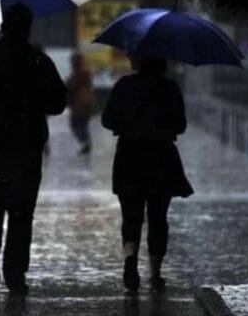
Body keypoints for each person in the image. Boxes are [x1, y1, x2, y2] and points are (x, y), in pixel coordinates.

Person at [0, 3, 67, 295]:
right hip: (27, 152)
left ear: (3, 26)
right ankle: (15, 271)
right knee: (21, 213)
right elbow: (58, 103)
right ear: (28, 28)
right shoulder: (39, 62)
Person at [101, 56, 193, 292]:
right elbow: (181, 125)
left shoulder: (124, 85)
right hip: (161, 158)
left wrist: (127, 125)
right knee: (158, 216)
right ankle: (155, 274)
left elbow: (107, 120)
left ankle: (130, 257)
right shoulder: (170, 88)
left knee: (131, 215)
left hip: (129, 156)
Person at [65, 52, 95, 154]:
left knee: (76, 124)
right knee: (82, 124)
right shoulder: (83, 72)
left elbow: (71, 85)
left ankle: (86, 143)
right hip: (86, 103)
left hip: (80, 104)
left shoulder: (79, 73)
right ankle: (86, 144)